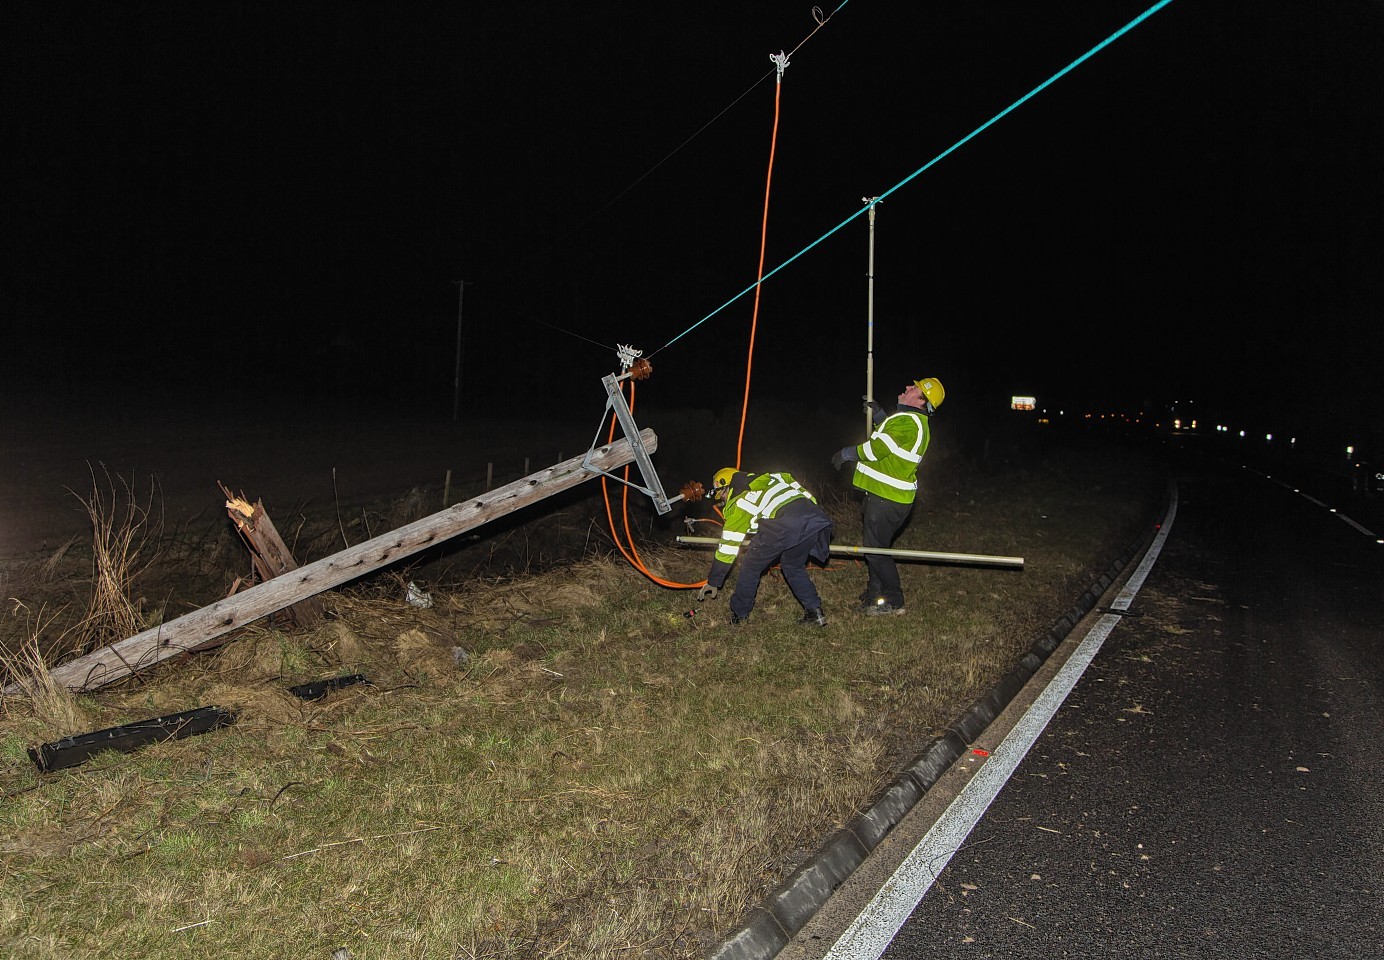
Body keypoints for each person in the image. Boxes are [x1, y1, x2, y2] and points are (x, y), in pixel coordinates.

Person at [830, 376, 945, 616]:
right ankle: (875, 593)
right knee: (876, 547)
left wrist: (847, 453)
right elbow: (894, 443)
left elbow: (877, 449)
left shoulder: (907, 420)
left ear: (921, 400)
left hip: (886, 499)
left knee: (876, 551)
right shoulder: (914, 422)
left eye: (914, 388)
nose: (906, 387)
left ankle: (894, 601)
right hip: (889, 498)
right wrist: (881, 415)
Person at [696, 468, 834, 626]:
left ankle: (740, 616)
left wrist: (714, 580)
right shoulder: (774, 478)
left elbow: (728, 548)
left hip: (783, 525)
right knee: (793, 566)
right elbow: (794, 485)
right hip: (813, 518)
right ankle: (814, 613)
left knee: (750, 567)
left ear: (727, 487)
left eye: (723, 495)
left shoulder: (741, 502)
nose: (724, 499)